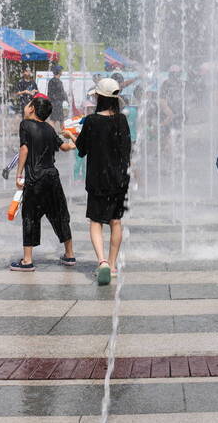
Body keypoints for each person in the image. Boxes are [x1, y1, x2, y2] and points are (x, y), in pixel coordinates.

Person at [65, 78, 131, 285]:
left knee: (96, 221)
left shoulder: (92, 121)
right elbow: (127, 150)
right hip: (120, 179)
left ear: (99, 97)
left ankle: (101, 262)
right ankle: (112, 266)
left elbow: (82, 150)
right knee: (116, 222)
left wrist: (71, 136)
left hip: (97, 179)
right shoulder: (122, 120)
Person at [10, 97, 76, 272]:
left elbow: (24, 149)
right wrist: (74, 139)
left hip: (35, 178)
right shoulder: (49, 128)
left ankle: (27, 260)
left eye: (28, 104)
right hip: (52, 176)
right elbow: (64, 147)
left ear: (31, 109)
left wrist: (18, 174)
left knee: (30, 215)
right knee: (59, 213)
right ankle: (69, 254)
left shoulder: (25, 125)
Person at [46, 65, 67, 131]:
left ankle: (65, 135)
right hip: (55, 103)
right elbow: (51, 94)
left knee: (61, 120)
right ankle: (49, 133)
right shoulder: (53, 81)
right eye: (61, 70)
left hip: (58, 103)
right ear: (59, 71)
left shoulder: (58, 81)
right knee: (53, 120)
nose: (62, 72)